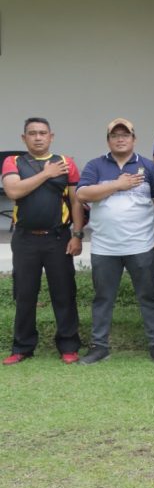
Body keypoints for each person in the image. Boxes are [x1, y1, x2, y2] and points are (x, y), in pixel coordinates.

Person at [76, 118, 154, 365]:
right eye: (115, 135)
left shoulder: (148, 167)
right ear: (108, 140)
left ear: (134, 139)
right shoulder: (96, 166)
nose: (120, 138)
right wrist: (118, 184)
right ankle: (99, 346)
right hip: (105, 246)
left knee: (149, 296)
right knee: (103, 298)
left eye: (125, 135)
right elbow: (82, 194)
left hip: (141, 244)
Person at [2, 118, 84, 365]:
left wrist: (78, 234)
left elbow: (76, 200)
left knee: (64, 293)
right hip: (25, 239)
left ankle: (68, 345)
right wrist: (47, 173)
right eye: (32, 133)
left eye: (42, 133)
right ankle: (22, 347)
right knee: (25, 294)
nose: (38, 137)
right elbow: (13, 191)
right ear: (23, 138)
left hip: (58, 238)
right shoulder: (13, 162)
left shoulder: (66, 163)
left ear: (51, 136)